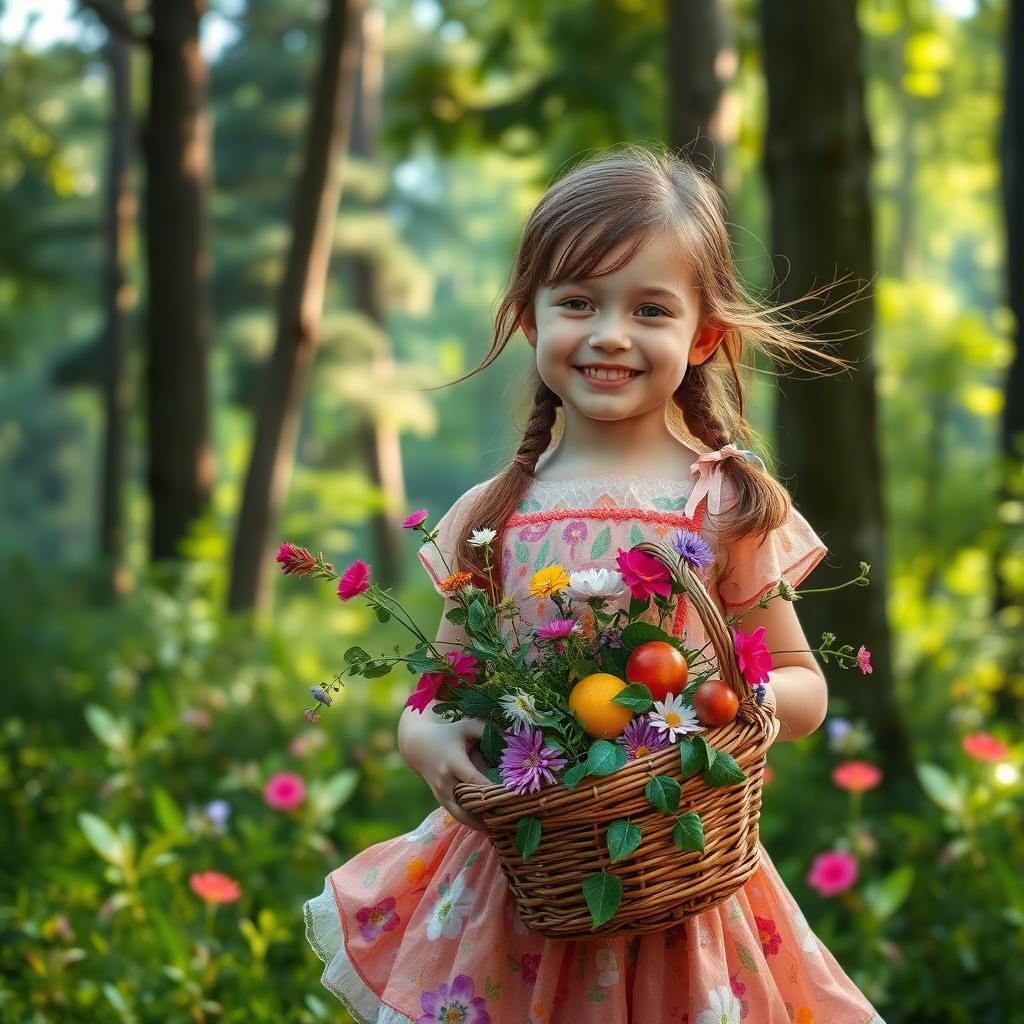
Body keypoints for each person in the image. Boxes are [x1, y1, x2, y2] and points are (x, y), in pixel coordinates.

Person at [304, 147, 887, 1024]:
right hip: (518, 889)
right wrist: (425, 742)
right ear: (532, 321)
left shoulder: (722, 503)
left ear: (701, 336)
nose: (610, 333)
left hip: (677, 878)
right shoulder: (488, 514)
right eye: (577, 302)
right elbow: (445, 688)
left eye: (649, 309)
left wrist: (720, 701)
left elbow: (804, 686)